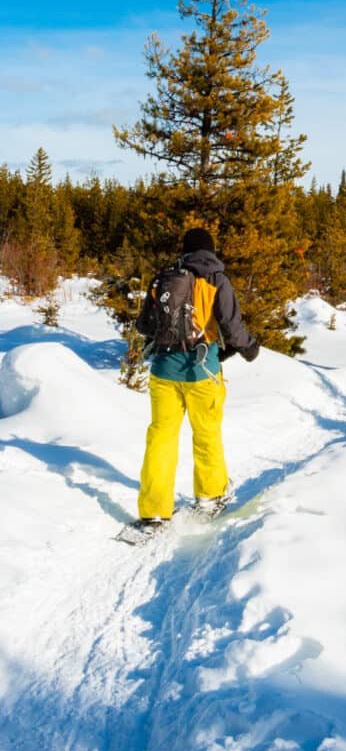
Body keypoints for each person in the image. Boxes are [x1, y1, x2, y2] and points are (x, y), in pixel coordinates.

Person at [132, 227, 259, 534]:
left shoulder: (165, 278)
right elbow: (232, 326)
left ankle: (154, 511)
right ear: (211, 251)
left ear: (185, 250)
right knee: (206, 434)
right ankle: (210, 496)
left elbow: (144, 325)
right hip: (203, 371)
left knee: (161, 439)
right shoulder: (217, 280)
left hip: (163, 372)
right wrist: (249, 348)